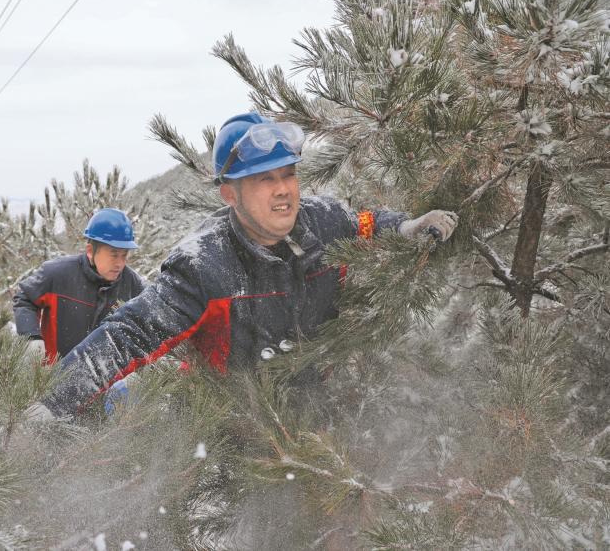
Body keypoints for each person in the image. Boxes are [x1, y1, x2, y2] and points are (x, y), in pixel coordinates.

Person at [31, 112, 458, 419]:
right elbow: (128, 335)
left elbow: (364, 223)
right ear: (230, 195)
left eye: (287, 175)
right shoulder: (203, 265)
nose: (283, 191)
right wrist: (50, 404)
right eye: (263, 180)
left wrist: (404, 227)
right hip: (226, 423)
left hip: (314, 408)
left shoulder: (325, 220)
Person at [13, 208, 145, 363]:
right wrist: (31, 336)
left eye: (124, 255)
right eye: (114, 255)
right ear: (90, 251)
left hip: (107, 383)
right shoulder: (58, 274)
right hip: (54, 377)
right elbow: (24, 298)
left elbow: (149, 321)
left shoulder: (132, 284)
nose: (120, 263)